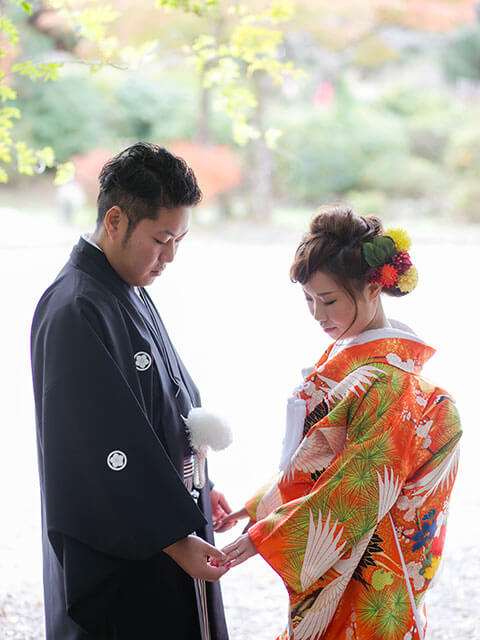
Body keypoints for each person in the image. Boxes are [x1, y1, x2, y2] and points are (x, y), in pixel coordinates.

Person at [217, 207, 462, 640]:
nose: (317, 314)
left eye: (328, 300)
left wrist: (266, 534)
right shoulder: (358, 363)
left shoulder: (390, 384)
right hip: (354, 550)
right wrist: (257, 507)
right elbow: (315, 459)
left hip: (376, 559)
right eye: (309, 300)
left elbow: (357, 485)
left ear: (374, 287)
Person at [31, 142, 232, 640]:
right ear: (115, 220)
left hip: (162, 521)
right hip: (123, 549)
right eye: (161, 239)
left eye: (180, 240)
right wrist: (175, 537)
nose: (170, 256)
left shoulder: (126, 285)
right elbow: (97, 449)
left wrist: (197, 486)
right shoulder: (75, 307)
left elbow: (162, 405)